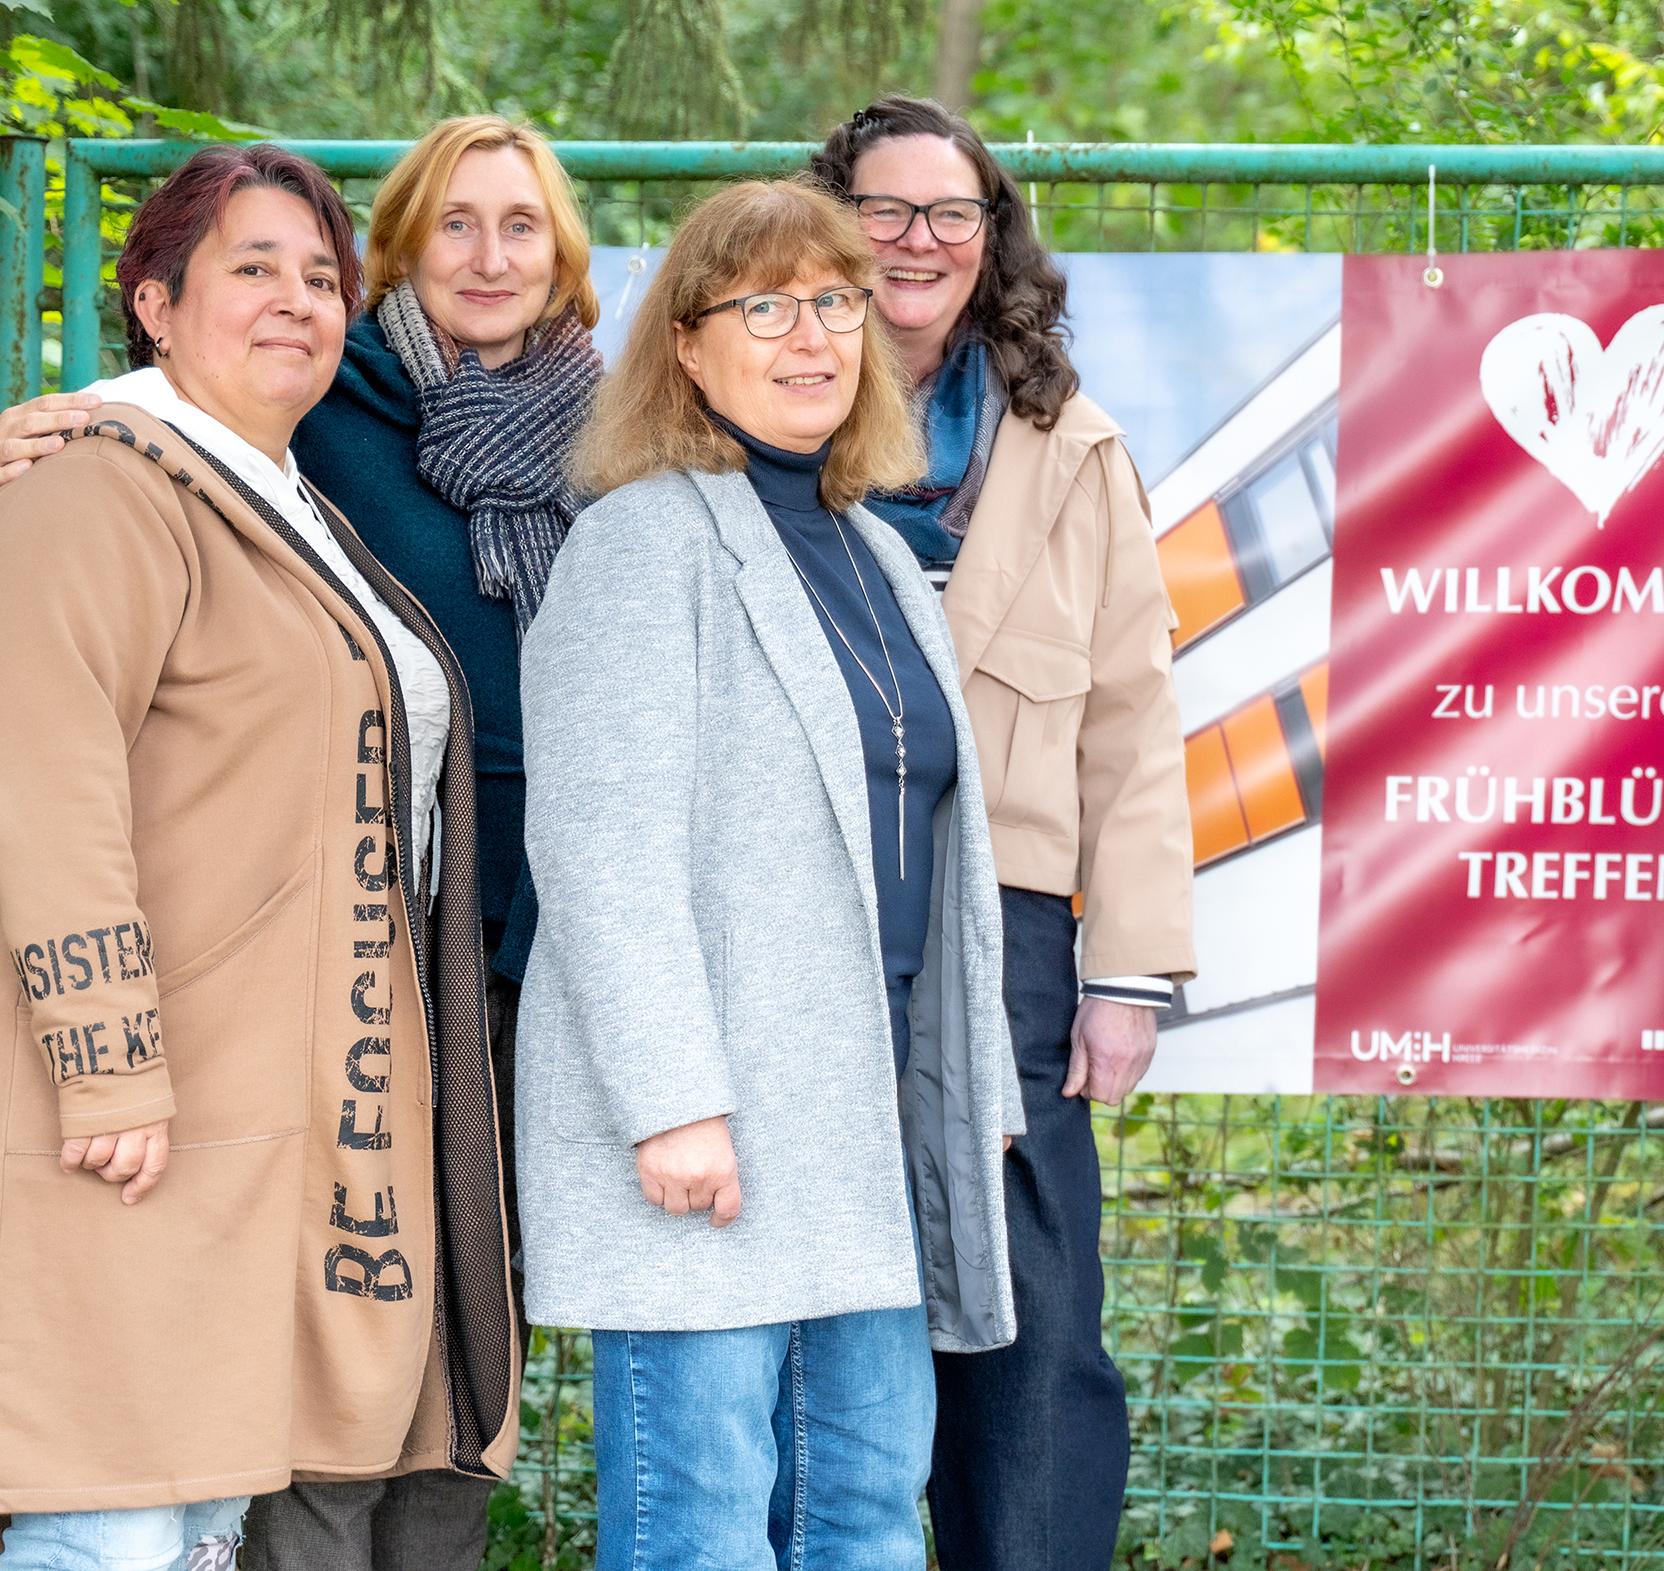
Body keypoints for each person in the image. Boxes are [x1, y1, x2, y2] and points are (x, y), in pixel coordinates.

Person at [0, 116, 602, 1571]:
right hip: (130, 1093)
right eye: (255, 270)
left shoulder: (287, 496)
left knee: (188, 1524)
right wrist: (107, 1055)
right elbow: (46, 789)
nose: (298, 300)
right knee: (115, 1520)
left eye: (320, 274)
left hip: (284, 1089)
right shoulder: (94, 476)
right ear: (157, 304)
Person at [514, 177, 1022, 1571]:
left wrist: (962, 1083)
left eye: (835, 302)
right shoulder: (641, 540)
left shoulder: (869, 543)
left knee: (863, 1520)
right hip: (716, 1135)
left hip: (857, 1129)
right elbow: (598, 847)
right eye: (766, 307)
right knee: (702, 1531)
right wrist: (674, 1102)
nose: (812, 338)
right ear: (685, 343)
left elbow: (931, 848)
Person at [810, 97, 1196, 1571]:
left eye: (948, 214)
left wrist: (1126, 971)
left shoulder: (1070, 442)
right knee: (823, 1291)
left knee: (1029, 1301)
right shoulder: (751, 410)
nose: (916, 241)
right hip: (810, 905)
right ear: (829, 224)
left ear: (990, 240)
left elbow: (1131, 719)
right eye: (883, 210)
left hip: (1016, 923)